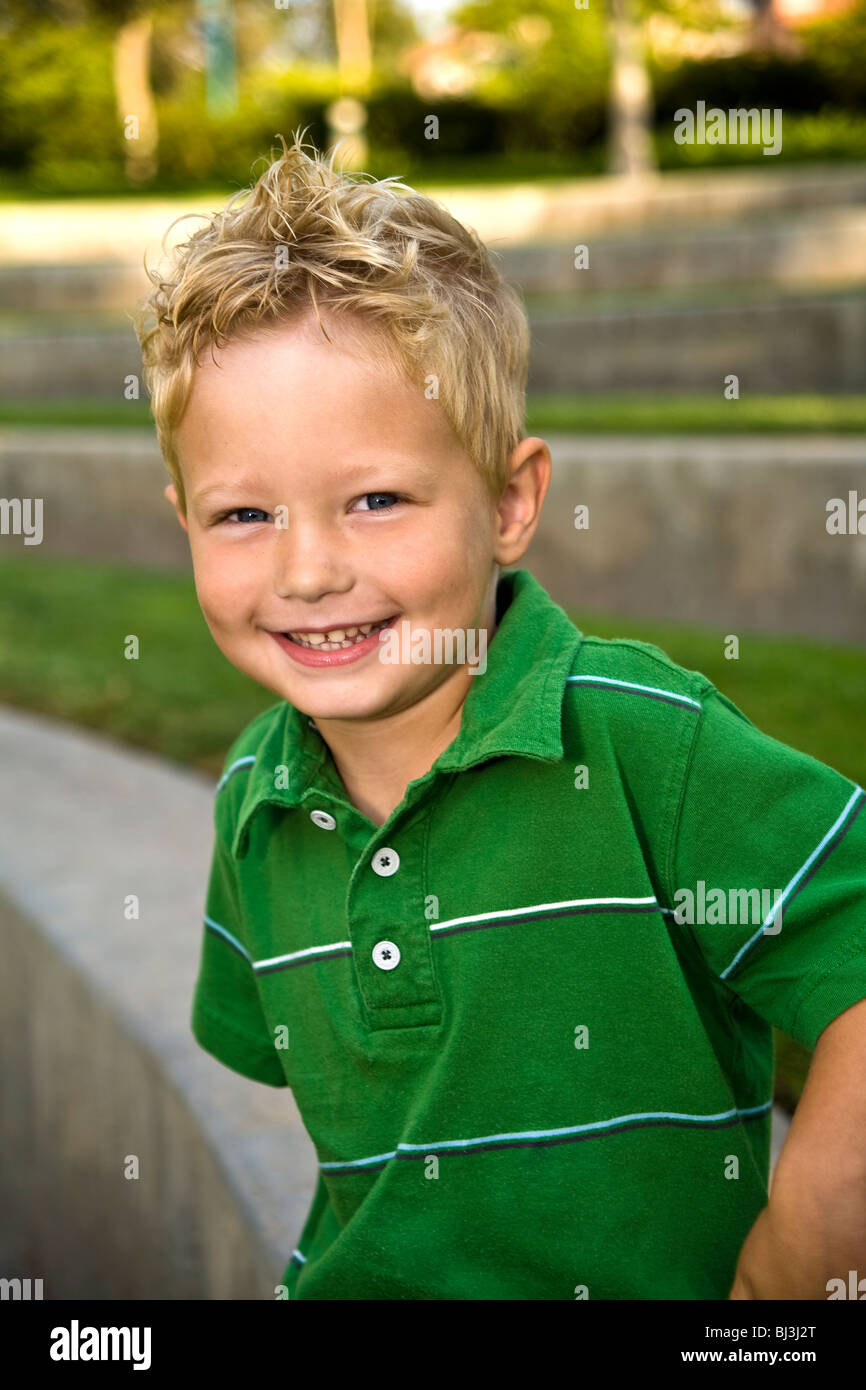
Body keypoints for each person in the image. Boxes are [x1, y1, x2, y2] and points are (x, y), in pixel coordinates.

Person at [133, 131, 866, 1300]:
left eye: (375, 499)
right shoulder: (253, 801)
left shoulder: (642, 743)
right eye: (241, 516)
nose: (308, 569)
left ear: (510, 501)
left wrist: (796, 1259)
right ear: (181, 522)